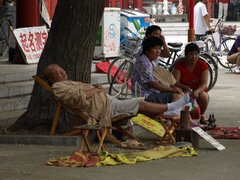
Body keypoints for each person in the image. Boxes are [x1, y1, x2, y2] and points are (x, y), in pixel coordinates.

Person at [44, 64, 191, 127]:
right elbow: (78, 98)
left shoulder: (66, 83)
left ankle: (168, 110)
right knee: (139, 104)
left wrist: (96, 89)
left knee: (140, 103)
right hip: (104, 109)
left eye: (62, 70)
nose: (63, 73)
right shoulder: (58, 87)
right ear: (52, 78)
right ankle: (171, 108)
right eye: (59, 72)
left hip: (107, 102)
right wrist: (96, 90)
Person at [131, 36, 185, 117]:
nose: (158, 52)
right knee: (177, 96)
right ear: (147, 49)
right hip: (145, 96)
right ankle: (170, 119)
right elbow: (152, 84)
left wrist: (171, 87)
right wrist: (172, 90)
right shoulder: (144, 62)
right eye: (155, 49)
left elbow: (157, 80)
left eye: (160, 49)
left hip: (151, 93)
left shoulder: (150, 61)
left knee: (181, 95)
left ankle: (176, 119)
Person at [172, 43, 209, 124]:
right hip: (183, 89)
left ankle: (202, 115)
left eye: (196, 54)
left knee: (204, 96)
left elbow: (204, 83)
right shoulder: (179, 65)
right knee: (177, 95)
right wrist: (185, 88)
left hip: (197, 89)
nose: (193, 57)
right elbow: (175, 82)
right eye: (190, 54)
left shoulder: (203, 65)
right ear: (186, 55)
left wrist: (197, 91)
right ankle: (179, 117)